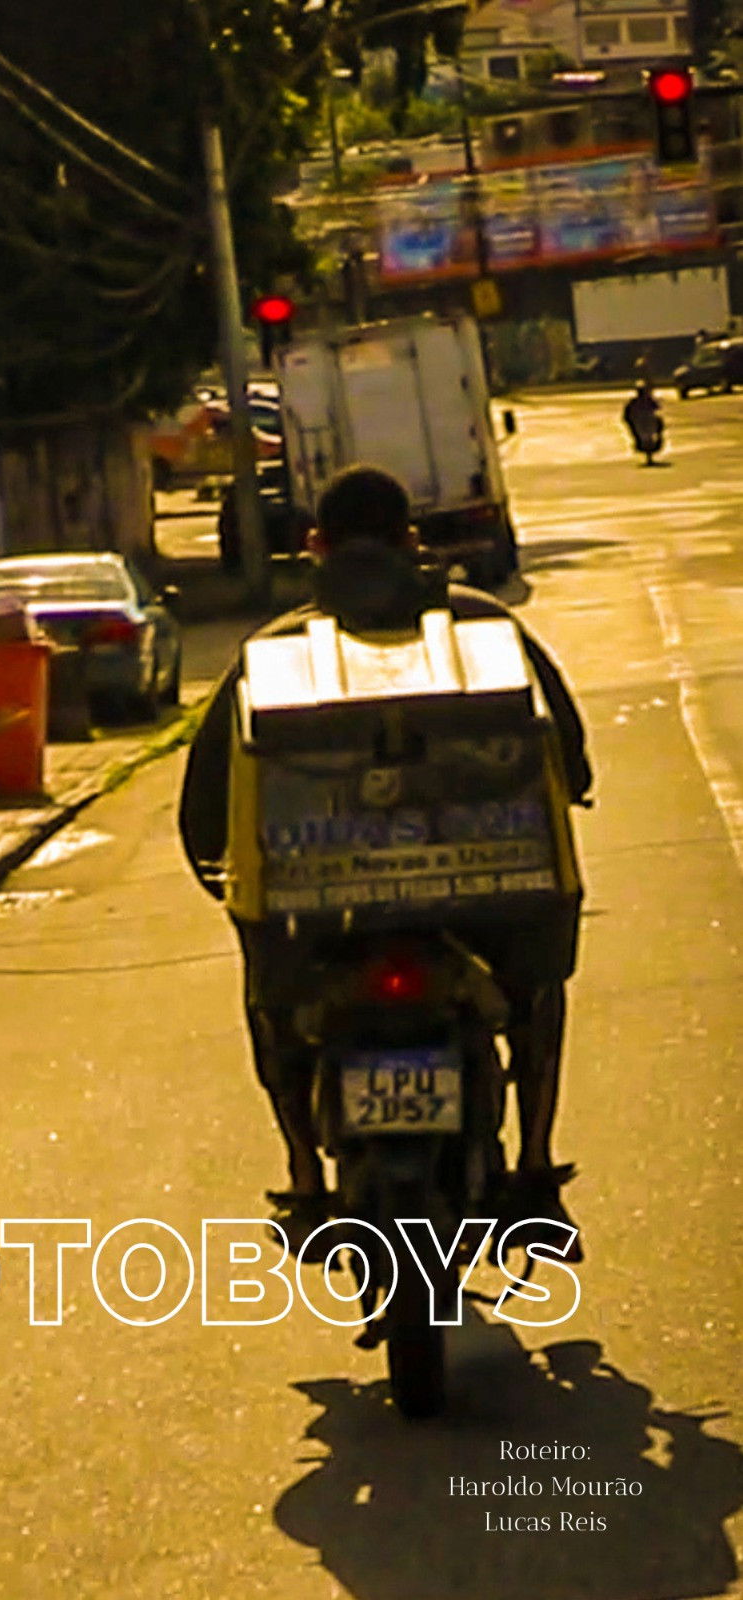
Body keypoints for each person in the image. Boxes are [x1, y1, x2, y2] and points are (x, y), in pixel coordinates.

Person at [178, 465, 592, 1256]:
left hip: (319, 924)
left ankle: (305, 1178)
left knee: (274, 1015)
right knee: (536, 998)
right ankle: (535, 1172)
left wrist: (223, 872)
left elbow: (206, 812)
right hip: (487, 910)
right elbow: (566, 756)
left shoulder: (269, 652)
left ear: (315, 545)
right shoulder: (490, 629)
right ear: (410, 539)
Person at [623, 381, 662, 454]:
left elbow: (657, 407)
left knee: (649, 433)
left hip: (646, 420)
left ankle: (653, 444)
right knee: (640, 433)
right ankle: (642, 444)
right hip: (642, 421)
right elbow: (657, 407)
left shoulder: (637, 401)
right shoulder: (637, 401)